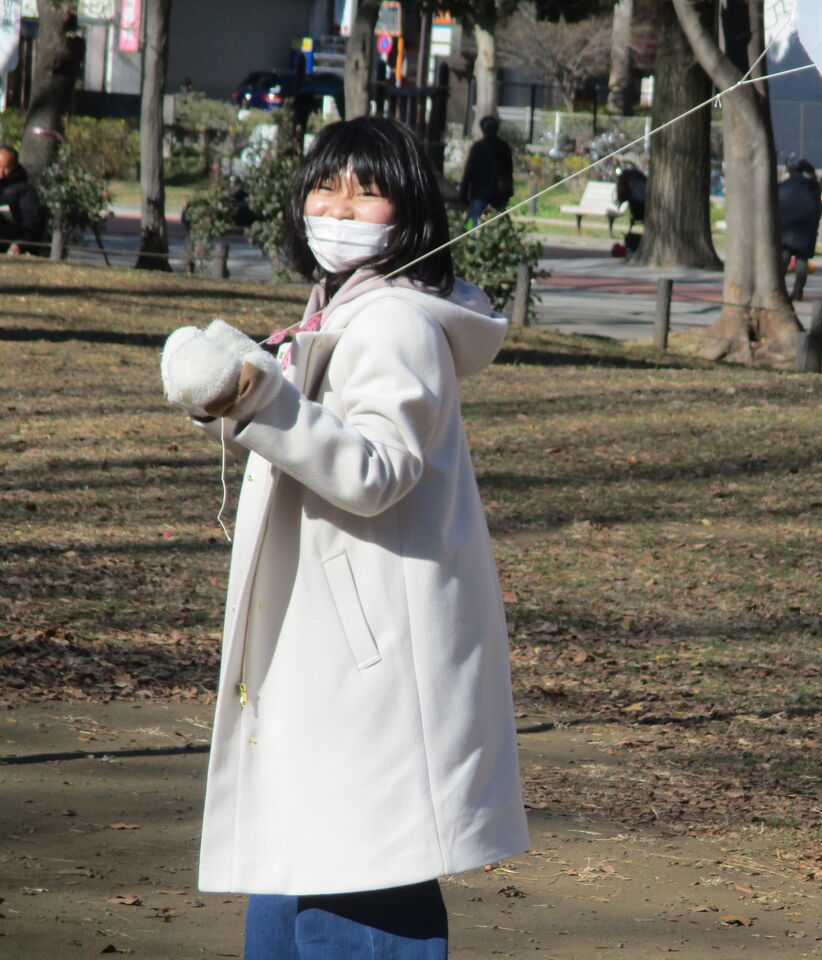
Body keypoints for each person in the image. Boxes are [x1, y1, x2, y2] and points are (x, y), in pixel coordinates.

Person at [158, 116, 529, 959]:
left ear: (408, 212)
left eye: (368, 188)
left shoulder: (394, 324)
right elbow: (308, 444)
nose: (341, 205)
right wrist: (234, 397)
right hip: (322, 651)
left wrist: (257, 400)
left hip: (370, 665)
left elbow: (375, 469)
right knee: (299, 864)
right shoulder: (341, 309)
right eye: (327, 185)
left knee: (360, 879)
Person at [777, 157, 822, 301]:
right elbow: (818, 208)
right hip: (806, 230)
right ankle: (798, 290)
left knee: (783, 258)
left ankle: (779, 289)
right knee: (802, 260)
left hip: (785, 227)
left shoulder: (784, 185)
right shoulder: (813, 187)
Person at [458, 115, 513, 225]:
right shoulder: (504, 148)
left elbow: (469, 172)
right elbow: (509, 173)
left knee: (477, 228)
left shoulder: (477, 148)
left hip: (479, 194)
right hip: (498, 194)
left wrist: (463, 193)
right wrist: (508, 193)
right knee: (496, 227)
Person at [0, 145, 43, 256]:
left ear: (14, 166)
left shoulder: (25, 191)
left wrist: (19, 243)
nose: (1, 174)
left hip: (9, 241)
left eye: (5, 168)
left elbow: (31, 223)